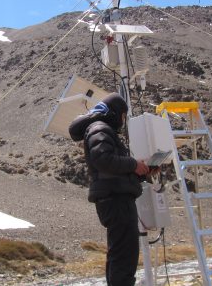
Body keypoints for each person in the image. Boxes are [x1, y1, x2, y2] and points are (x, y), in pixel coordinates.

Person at [69, 93, 149, 286]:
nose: (123, 120)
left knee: (120, 253)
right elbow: (102, 159)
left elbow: (113, 168)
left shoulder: (102, 130)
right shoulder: (99, 128)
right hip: (116, 200)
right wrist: (132, 164)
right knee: (124, 255)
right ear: (114, 112)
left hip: (116, 199)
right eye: (123, 115)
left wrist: (141, 171)